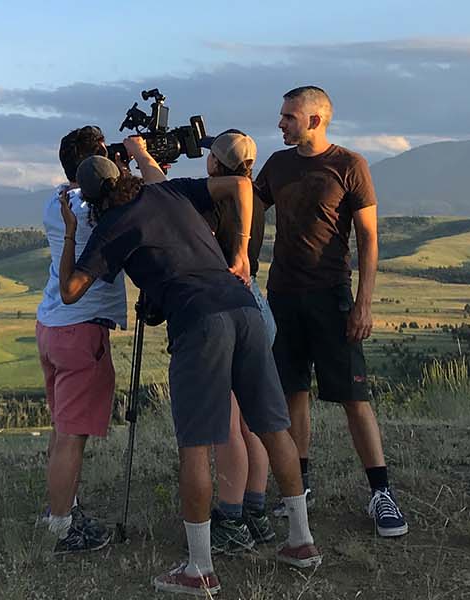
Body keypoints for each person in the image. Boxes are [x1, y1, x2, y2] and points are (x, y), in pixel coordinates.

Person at [60, 140, 320, 597]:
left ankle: (199, 568)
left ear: (92, 200)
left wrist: (68, 233)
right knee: (274, 427)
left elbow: (70, 291)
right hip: (244, 307)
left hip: (199, 323)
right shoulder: (171, 191)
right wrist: (240, 254)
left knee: (197, 445)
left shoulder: (113, 226)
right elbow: (240, 184)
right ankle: (301, 542)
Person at [256, 86, 408, 538]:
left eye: (288, 116)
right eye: (281, 115)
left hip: (332, 296)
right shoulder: (277, 166)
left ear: (315, 120)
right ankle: (298, 489)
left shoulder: (350, 166)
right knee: (292, 395)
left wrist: (363, 302)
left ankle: (381, 493)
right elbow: (244, 209)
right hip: (282, 296)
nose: (280, 123)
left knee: (352, 398)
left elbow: (370, 240)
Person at [34, 125, 132, 554]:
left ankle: (61, 509)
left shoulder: (56, 203)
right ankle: (62, 526)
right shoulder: (98, 210)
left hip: (51, 324)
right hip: (82, 328)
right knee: (73, 434)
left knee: (62, 427)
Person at [185, 130, 278, 555]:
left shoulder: (213, 203)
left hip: (225, 306)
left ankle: (231, 516)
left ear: (216, 166)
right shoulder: (255, 199)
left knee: (226, 425)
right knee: (252, 421)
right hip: (257, 303)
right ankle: (255, 510)